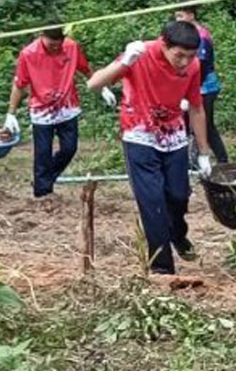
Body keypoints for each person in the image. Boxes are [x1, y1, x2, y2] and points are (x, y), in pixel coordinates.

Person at [87, 21, 215, 276]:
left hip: (173, 136)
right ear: (163, 44)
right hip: (139, 136)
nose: (184, 62)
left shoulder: (193, 66)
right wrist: (124, 62)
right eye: (179, 55)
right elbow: (93, 84)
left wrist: (203, 152)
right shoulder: (140, 53)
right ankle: (161, 268)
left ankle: (177, 234)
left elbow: (197, 107)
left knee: (178, 196)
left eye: (190, 56)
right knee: (153, 203)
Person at [6, 28, 92, 198]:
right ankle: (43, 192)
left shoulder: (71, 47)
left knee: (70, 148)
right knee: (43, 152)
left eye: (58, 45)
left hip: (67, 106)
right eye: (51, 45)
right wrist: (11, 113)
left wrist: (100, 86)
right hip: (41, 109)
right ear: (41, 36)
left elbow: (84, 68)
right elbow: (20, 83)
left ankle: (44, 179)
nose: (55, 48)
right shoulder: (28, 54)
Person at [174, 7, 229, 164]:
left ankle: (223, 160)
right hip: (189, 87)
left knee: (206, 125)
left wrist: (189, 91)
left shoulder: (201, 36)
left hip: (205, 87)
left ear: (191, 15)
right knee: (186, 124)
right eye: (176, 16)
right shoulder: (183, 35)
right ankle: (190, 160)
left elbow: (202, 66)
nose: (178, 19)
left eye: (181, 15)